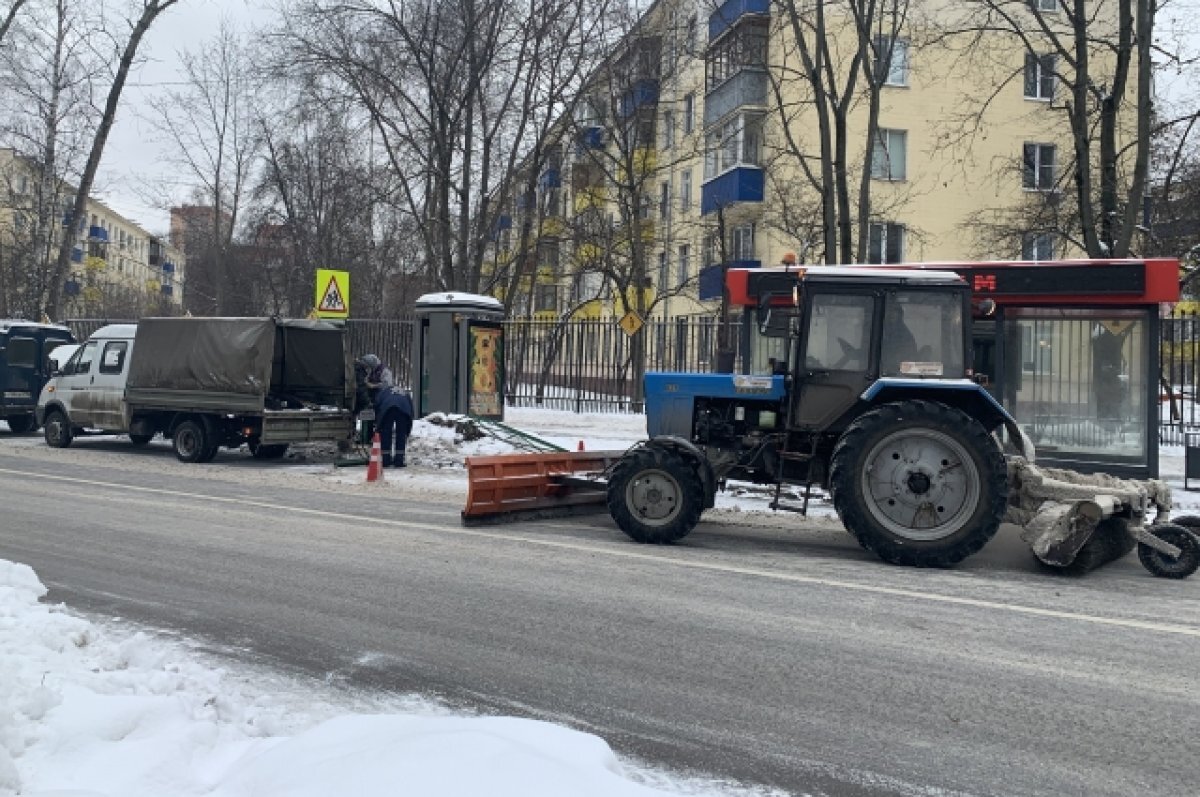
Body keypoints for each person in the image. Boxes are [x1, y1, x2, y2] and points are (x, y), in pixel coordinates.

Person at [356, 354, 412, 468]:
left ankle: (386, 460)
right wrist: (408, 429)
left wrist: (378, 426)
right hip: (403, 408)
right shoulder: (403, 394)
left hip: (387, 407)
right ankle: (399, 461)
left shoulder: (383, 380)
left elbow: (379, 408)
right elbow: (410, 411)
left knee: (386, 432)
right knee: (401, 434)